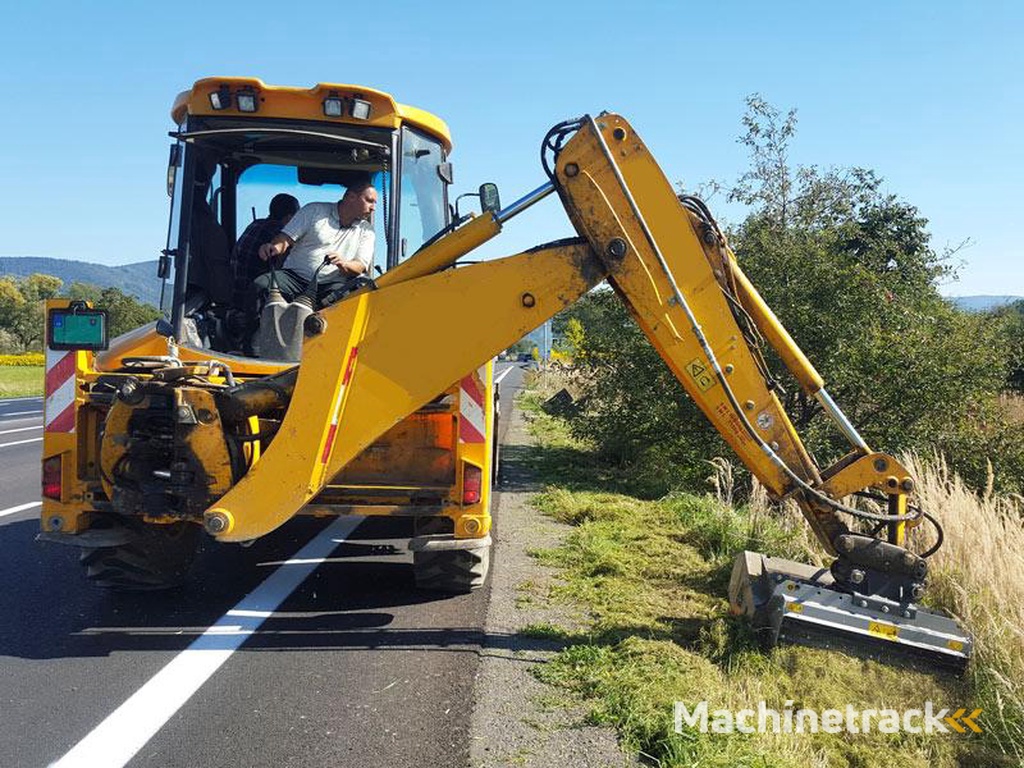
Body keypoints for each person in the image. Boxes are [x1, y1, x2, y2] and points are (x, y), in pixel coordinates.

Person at [252, 181, 377, 308]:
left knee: (347, 301)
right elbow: (285, 239)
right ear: (350, 197)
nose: (373, 207)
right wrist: (273, 247)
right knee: (261, 285)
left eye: (374, 203)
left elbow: (360, 266)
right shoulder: (313, 211)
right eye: (369, 201)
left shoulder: (367, 231)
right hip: (294, 278)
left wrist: (343, 263)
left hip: (331, 285)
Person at [232, 193, 300, 299]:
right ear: (290, 217)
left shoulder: (254, 225)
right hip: (259, 301)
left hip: (235, 295)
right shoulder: (282, 235)